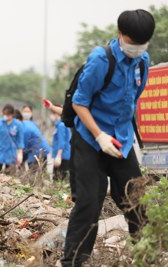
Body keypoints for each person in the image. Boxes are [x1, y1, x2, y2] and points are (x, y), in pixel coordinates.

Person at [62, 10, 155, 266]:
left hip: (121, 141)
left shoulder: (143, 61)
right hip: (90, 139)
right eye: (132, 42)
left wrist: (119, 136)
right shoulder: (101, 59)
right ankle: (73, 261)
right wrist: (100, 135)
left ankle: (144, 255)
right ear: (120, 34)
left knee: (136, 199)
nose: (137, 48)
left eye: (142, 43)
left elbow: (132, 100)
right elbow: (80, 103)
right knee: (89, 202)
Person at [50, 109, 71, 180]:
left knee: (58, 179)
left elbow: (62, 142)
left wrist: (58, 156)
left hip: (63, 156)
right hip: (63, 156)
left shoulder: (61, 125)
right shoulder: (60, 125)